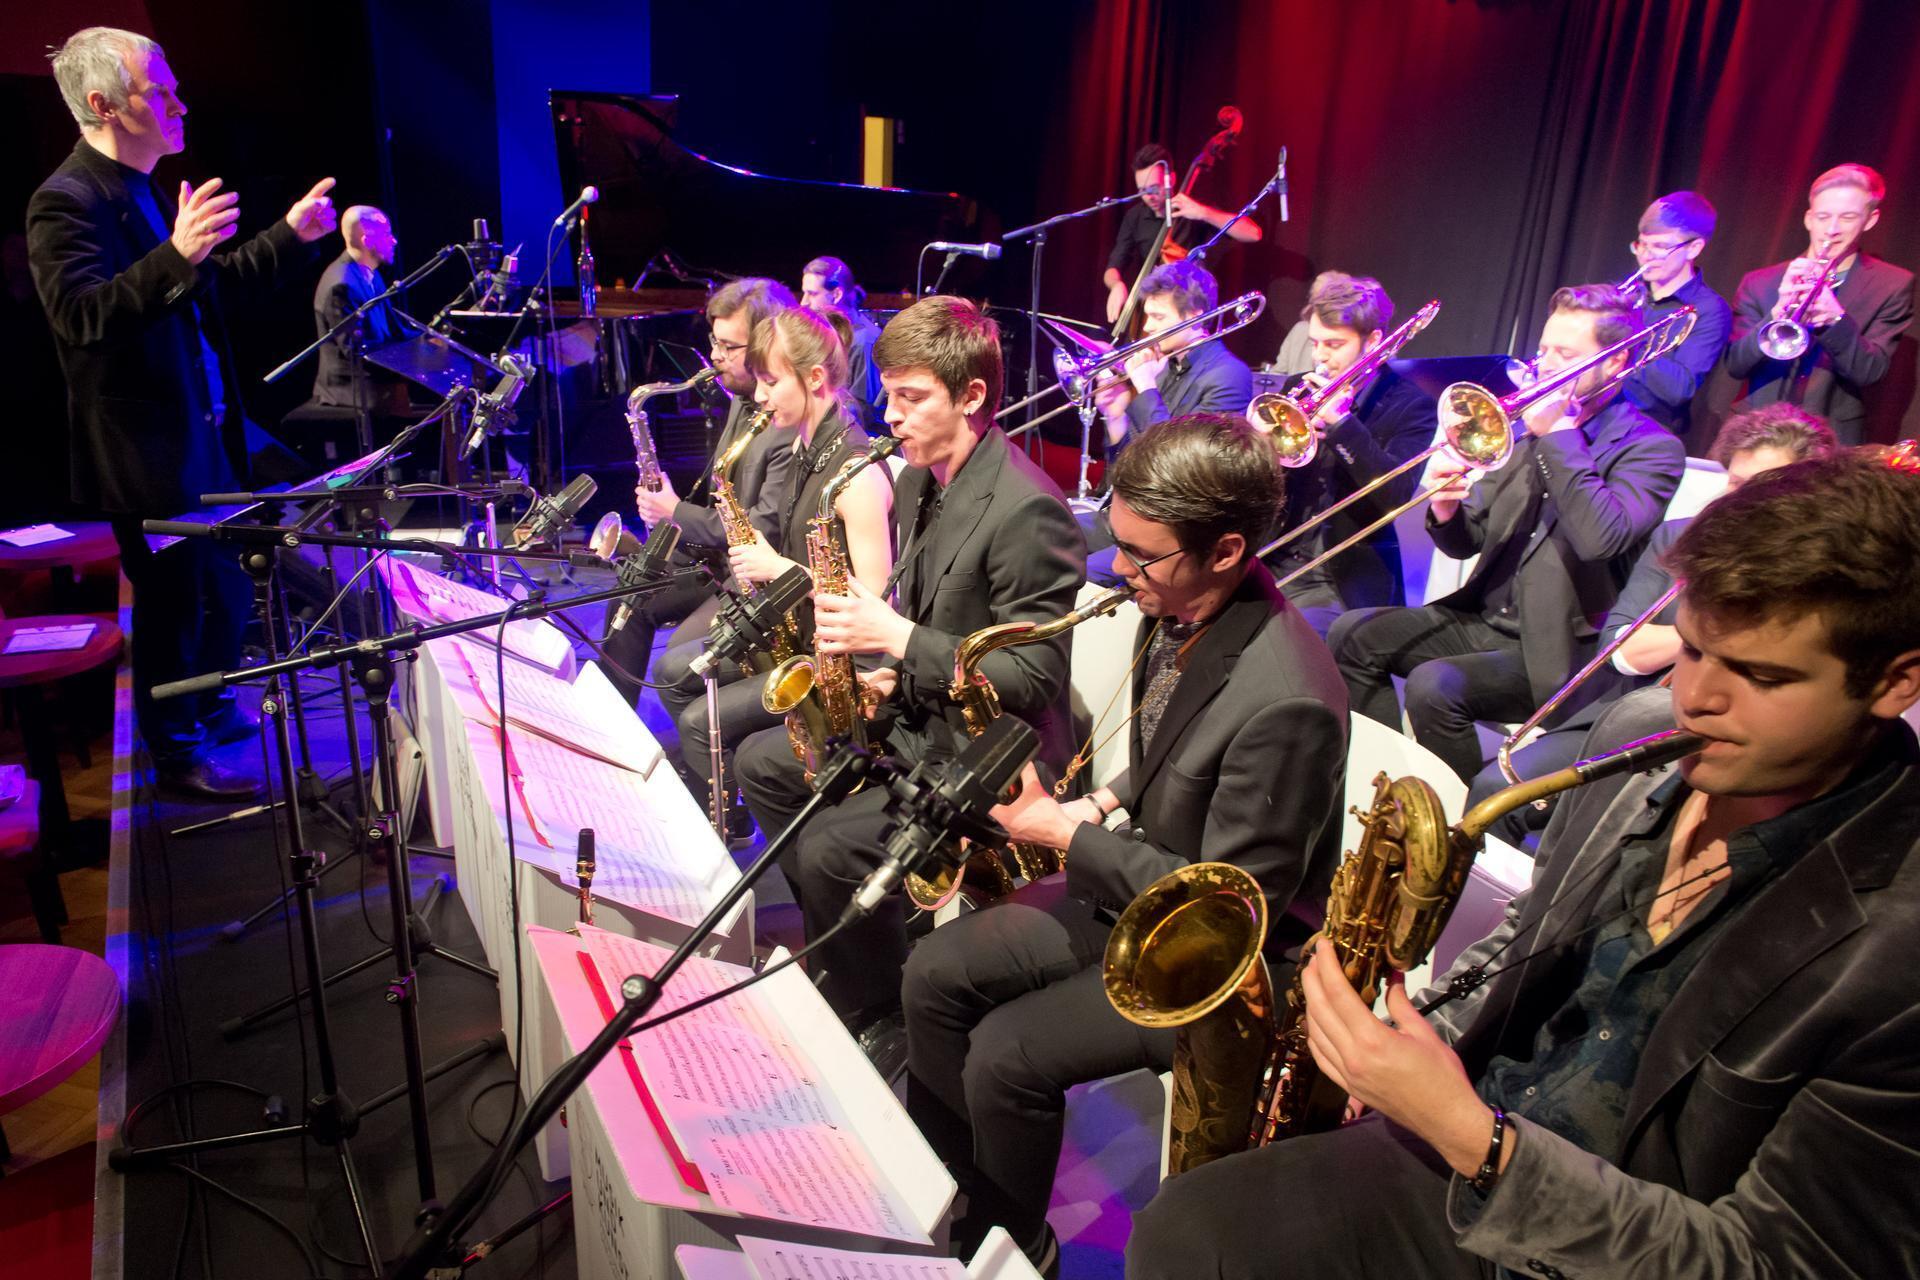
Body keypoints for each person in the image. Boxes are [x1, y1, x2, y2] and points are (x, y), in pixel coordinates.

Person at [1128, 445, 1920, 1279]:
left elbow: (1781, 1263)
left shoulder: (1897, 953)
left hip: (1608, 1237)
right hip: (1474, 1149)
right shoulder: (1635, 737)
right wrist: (1411, 1038)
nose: (1696, 699)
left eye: (1758, 675)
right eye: (1691, 650)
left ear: (1896, 683)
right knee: (1188, 1230)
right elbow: (1529, 932)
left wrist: (1468, 1133)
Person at [900, 412, 1349, 1277]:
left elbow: (1234, 907)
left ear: (1225, 551)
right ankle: (944, 1193)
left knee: (1004, 1058)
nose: (1115, 567)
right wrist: (1106, 798)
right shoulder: (1180, 604)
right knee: (933, 971)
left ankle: (1013, 1248)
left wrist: (1065, 833)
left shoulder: (1288, 696)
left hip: (1219, 962)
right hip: (1138, 886)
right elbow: (1173, 746)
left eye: (1140, 555)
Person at [734, 295, 1085, 1072]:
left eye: (912, 397)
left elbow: (1034, 675)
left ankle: (885, 1010)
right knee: (763, 763)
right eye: (888, 395)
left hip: (990, 755)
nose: (890, 415)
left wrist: (896, 639)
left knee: (827, 848)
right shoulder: (929, 478)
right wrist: (888, 676)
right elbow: (934, 615)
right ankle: (851, 952)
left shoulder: (1028, 509)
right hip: (923, 712)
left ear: (972, 396)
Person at [27, 26, 339, 797]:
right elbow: (82, 317)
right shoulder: (66, 201)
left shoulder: (139, 187)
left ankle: (207, 706)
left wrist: (290, 236)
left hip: (203, 435)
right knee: (174, 606)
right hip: (148, 453)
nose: (180, 104)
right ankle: (176, 751)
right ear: (103, 104)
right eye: (159, 92)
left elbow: (209, 284)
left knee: (225, 591)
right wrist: (177, 256)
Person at [1328, 284, 1685, 782]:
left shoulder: (1651, 448)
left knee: (1435, 686)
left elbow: (1601, 539)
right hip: (1483, 618)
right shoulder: (1524, 431)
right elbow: (1466, 541)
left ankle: (1459, 812)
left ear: (1616, 360)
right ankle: (1384, 781)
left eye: (1566, 355)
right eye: (1544, 350)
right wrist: (1446, 507)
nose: (1547, 365)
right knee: (1352, 634)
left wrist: (1558, 435)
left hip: (1556, 648)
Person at [1464, 403, 1837, 849]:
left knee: (1610, 836)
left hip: (1718, 738)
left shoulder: (1815, 572)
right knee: (1494, 790)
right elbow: (1622, 651)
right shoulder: (1682, 536)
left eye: (1763, 488)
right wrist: (1722, 633)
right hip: (1629, 716)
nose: (1739, 500)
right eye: (1736, 482)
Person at [661, 304, 893, 786]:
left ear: (814, 378)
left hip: (841, 666)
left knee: (698, 722)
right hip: (798, 634)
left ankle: (737, 817)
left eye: (770, 382)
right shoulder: (803, 445)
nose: (760, 395)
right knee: (672, 674)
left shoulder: (857, 473)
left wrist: (777, 569)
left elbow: (877, 603)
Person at [597, 277, 796, 716]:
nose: (716, 356)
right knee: (631, 589)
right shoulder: (741, 399)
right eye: (714, 342)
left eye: (729, 346)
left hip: (757, 578)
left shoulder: (786, 420)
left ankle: (706, 753)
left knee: (680, 662)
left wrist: (675, 511)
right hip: (719, 561)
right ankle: (611, 723)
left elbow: (763, 527)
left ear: (766, 344)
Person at [1265, 272, 1437, 638]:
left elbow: (1395, 495)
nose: (1319, 356)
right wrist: (1262, 447)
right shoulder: (1298, 386)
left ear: (1373, 341)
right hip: (1274, 555)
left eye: (1334, 344)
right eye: (1315, 343)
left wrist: (1342, 425)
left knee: (1280, 639)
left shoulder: (1412, 406)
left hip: (1337, 577)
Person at [1727, 163, 1915, 445]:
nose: (1832, 230)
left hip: (1831, 440)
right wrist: (1776, 313)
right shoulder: (1759, 281)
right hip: (1754, 431)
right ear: (1808, 219)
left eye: (1848, 217)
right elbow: (1736, 365)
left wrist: (1835, 320)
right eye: (1823, 217)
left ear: (1870, 219)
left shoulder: (1892, 285)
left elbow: (1870, 372)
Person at [1094, 258, 1253, 452]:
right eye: (1148, 315)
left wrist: (1146, 387)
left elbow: (1180, 459)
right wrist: (1117, 419)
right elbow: (1133, 461)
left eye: (1158, 317)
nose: (1147, 326)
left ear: (1195, 316)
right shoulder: (1163, 368)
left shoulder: (1230, 375)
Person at [1103, 143, 1262, 325]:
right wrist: (1116, 285)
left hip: (1188, 311)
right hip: (1150, 310)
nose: (1148, 197)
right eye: (1142, 191)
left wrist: (1203, 213)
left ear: (1171, 179)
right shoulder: (1135, 216)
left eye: (1154, 189)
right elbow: (1113, 267)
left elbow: (1253, 233)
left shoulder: (1193, 210)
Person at [1617, 191, 1732, 437]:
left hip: (1642, 435)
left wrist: (1629, 337)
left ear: (1693, 248)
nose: (1646, 256)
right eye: (1641, 245)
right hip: (1594, 419)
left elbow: (1680, 388)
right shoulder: (1625, 297)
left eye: (1660, 247)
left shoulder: (1710, 310)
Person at [312, 204, 408, 415]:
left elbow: (394, 329)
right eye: (387, 234)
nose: (394, 241)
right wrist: (413, 360)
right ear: (367, 240)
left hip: (374, 376)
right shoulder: (341, 285)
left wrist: (427, 341)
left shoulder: (369, 272)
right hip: (351, 389)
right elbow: (358, 351)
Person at [799, 254, 884, 426]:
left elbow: (864, 411)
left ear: (837, 294)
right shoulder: (824, 331)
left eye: (812, 294)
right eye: (804, 293)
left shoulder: (865, 341)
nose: (803, 302)